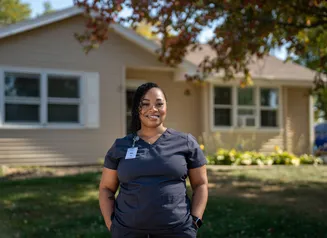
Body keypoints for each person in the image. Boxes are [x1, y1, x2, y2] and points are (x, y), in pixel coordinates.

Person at [99, 82, 208, 238]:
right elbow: (106, 188)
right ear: (138, 109)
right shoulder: (121, 146)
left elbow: (201, 184)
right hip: (128, 232)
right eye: (145, 104)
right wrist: (112, 225)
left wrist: (195, 221)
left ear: (166, 107)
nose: (153, 109)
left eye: (159, 104)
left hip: (177, 232)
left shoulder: (186, 142)